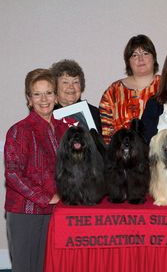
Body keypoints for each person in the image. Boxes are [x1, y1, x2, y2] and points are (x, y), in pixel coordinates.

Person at [4, 69, 69, 272]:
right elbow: (13, 174)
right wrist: (45, 197)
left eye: (49, 93)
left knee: (49, 266)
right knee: (27, 267)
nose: (44, 99)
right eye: (37, 94)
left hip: (57, 212)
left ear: (56, 96)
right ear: (29, 99)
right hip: (27, 212)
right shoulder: (19, 130)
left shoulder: (65, 129)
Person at [99, 34, 160, 144]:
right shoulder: (113, 92)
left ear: (154, 57)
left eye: (145, 53)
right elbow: (107, 134)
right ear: (128, 61)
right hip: (122, 158)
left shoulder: (166, 86)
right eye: (134, 55)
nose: (141, 59)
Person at [50, 59, 102, 133]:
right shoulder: (48, 114)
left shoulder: (94, 113)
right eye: (65, 82)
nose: (71, 87)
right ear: (55, 86)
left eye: (75, 82)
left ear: (81, 86)